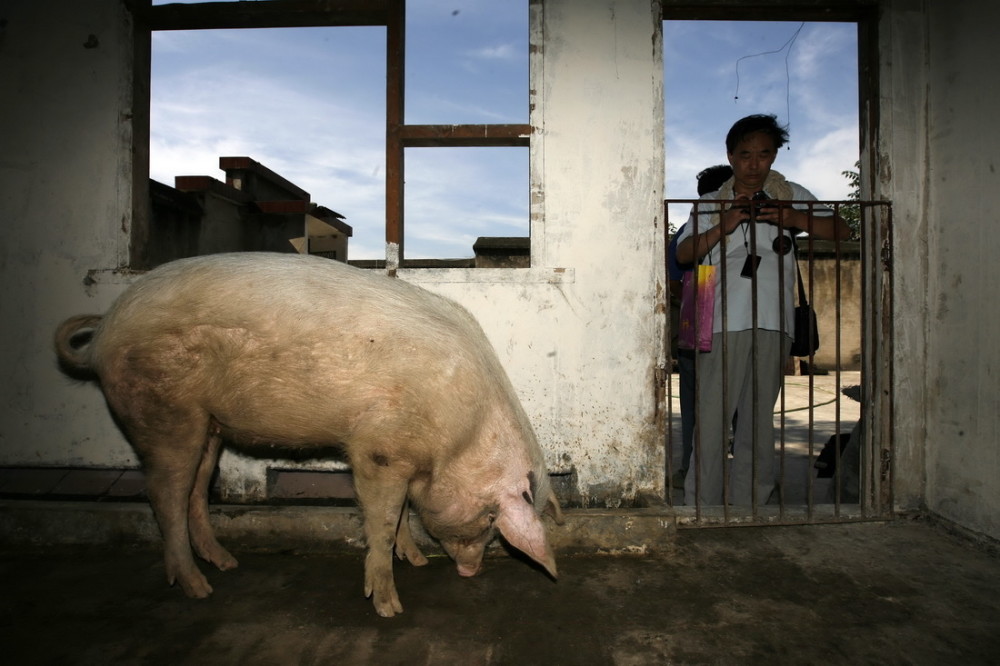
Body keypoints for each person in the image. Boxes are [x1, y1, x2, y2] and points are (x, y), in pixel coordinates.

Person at [676, 114, 850, 506]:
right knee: (712, 418)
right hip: (721, 321)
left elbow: (842, 230)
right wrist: (725, 223)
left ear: (774, 156)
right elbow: (685, 254)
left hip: (774, 321)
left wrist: (794, 217)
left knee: (758, 420)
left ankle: (750, 504)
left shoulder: (790, 192)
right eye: (745, 155)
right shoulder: (709, 204)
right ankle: (701, 504)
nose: (754, 164)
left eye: (764, 154)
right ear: (730, 156)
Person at [668, 164, 733, 489]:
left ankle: (694, 470)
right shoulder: (691, 234)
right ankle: (698, 469)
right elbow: (675, 277)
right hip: (707, 328)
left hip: (702, 327)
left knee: (698, 404)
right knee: (708, 404)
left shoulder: (689, 231)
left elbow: (674, 282)